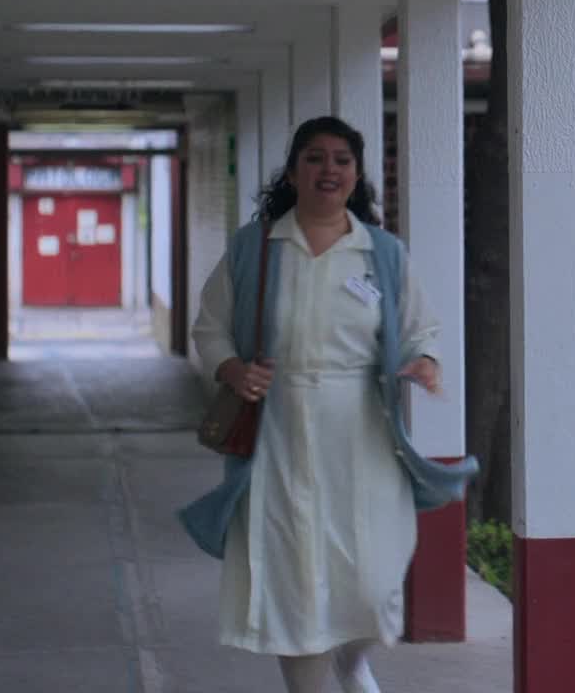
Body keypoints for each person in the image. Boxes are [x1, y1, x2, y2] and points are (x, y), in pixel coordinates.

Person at [186, 116, 462, 693]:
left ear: (357, 176)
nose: (328, 169)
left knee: (373, 580)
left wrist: (424, 362)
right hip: (277, 435)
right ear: (293, 172)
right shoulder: (254, 249)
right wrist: (234, 369)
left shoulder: (382, 254)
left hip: (361, 435)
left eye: (341, 159)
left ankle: (351, 659)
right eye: (314, 157)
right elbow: (210, 328)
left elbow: (422, 329)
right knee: (293, 580)